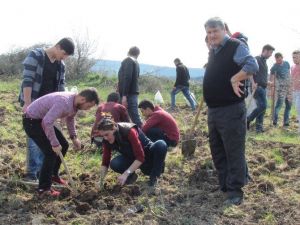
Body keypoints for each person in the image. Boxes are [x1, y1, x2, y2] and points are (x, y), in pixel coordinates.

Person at [203, 17, 258, 205]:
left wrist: (236, 78)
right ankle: (226, 186)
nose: (211, 36)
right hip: (214, 110)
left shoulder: (236, 46)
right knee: (217, 150)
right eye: (208, 33)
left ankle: (235, 192)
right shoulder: (214, 51)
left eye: (214, 31)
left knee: (233, 150)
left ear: (223, 30)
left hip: (231, 109)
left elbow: (252, 65)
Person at [23, 88, 99, 197]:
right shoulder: (64, 102)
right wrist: (54, 143)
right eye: (88, 106)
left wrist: (74, 137)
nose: (86, 109)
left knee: (64, 145)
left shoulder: (74, 103)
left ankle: (53, 175)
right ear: (83, 99)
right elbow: (47, 122)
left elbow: (70, 119)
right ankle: (44, 189)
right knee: (50, 152)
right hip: (32, 122)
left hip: (42, 120)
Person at [18, 38, 75, 181]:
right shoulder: (36, 56)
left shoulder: (60, 65)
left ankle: (43, 172)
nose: (64, 58)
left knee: (47, 138)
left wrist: (62, 111)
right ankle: (32, 173)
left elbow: (61, 87)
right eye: (64, 54)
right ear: (58, 47)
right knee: (35, 140)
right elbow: (28, 80)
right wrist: (27, 102)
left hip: (50, 106)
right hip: (33, 103)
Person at [95, 117, 168, 187]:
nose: (105, 138)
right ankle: (131, 177)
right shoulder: (106, 140)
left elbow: (140, 157)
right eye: (103, 136)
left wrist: (126, 173)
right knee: (115, 163)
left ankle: (154, 177)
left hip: (147, 154)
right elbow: (105, 162)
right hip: (132, 156)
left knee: (161, 144)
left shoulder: (128, 131)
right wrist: (101, 181)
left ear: (114, 129)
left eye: (107, 134)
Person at [247, 44, 275, 132]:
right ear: (265, 51)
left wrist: (268, 82)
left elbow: (261, 76)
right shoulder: (257, 59)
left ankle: (259, 128)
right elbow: (249, 71)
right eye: (270, 53)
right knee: (263, 106)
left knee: (262, 108)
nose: (271, 55)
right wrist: (252, 83)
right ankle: (248, 119)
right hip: (257, 87)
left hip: (262, 87)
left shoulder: (264, 62)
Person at [118, 46, 143, 127]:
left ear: (129, 52)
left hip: (128, 94)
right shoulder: (136, 63)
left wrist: (124, 95)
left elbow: (127, 77)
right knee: (134, 117)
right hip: (133, 94)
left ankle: (144, 137)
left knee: (132, 117)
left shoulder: (128, 60)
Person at [270, 53, 292, 127]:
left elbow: (289, 74)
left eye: (280, 59)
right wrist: (272, 88)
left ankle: (286, 122)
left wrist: (290, 84)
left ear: (282, 58)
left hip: (288, 87)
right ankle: (275, 122)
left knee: (288, 105)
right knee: (279, 105)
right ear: (275, 59)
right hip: (281, 88)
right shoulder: (274, 67)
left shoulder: (286, 63)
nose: (278, 61)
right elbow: (272, 79)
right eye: (277, 59)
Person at [291, 50, 300, 131]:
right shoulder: (293, 67)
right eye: (293, 57)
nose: (294, 59)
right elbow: (292, 79)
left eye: (296, 57)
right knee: (297, 109)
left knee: (298, 107)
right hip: (295, 91)